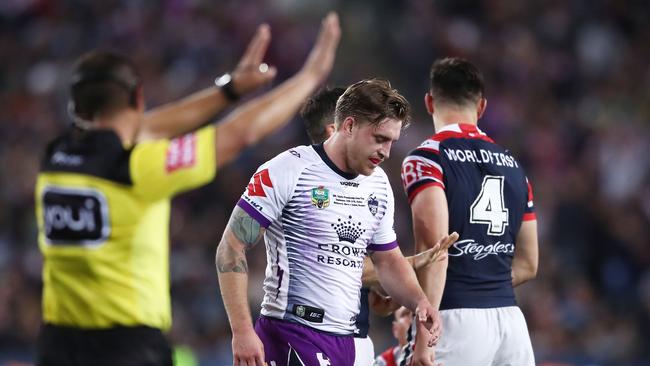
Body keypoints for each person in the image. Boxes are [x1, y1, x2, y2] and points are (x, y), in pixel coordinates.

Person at [34, 12, 341, 366]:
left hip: (56, 346)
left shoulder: (54, 158)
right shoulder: (138, 167)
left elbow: (142, 126)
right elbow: (238, 133)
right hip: (127, 350)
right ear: (138, 99)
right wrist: (309, 78)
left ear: (75, 107)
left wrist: (229, 90)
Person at [217, 78, 455, 366]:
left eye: (391, 142)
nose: (386, 152)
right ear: (349, 126)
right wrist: (241, 330)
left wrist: (419, 302)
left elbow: (387, 260)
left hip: (347, 342)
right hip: (292, 333)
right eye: (380, 139)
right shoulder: (288, 170)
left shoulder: (377, 184)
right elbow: (231, 247)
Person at [300, 87, 455, 366]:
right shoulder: (303, 184)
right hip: (308, 337)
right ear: (340, 128)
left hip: (354, 339)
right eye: (375, 134)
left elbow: (374, 285)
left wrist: (390, 293)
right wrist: (412, 263)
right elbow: (332, 267)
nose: (383, 149)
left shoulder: (368, 187)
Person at [399, 57, 539, 365]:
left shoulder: (427, 158)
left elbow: (435, 251)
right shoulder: (515, 167)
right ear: (482, 107)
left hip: (454, 320)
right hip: (512, 327)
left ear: (429, 102)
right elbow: (529, 264)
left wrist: (423, 330)